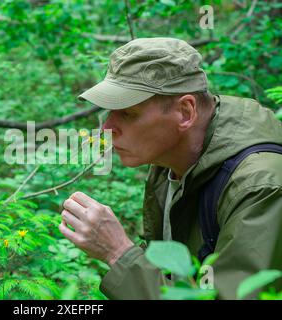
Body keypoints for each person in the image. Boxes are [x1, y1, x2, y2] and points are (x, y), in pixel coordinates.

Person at [58, 37, 282, 299]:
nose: (106, 129)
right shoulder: (171, 159)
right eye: (108, 112)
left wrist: (118, 252)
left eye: (128, 113)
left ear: (185, 112)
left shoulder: (260, 187)